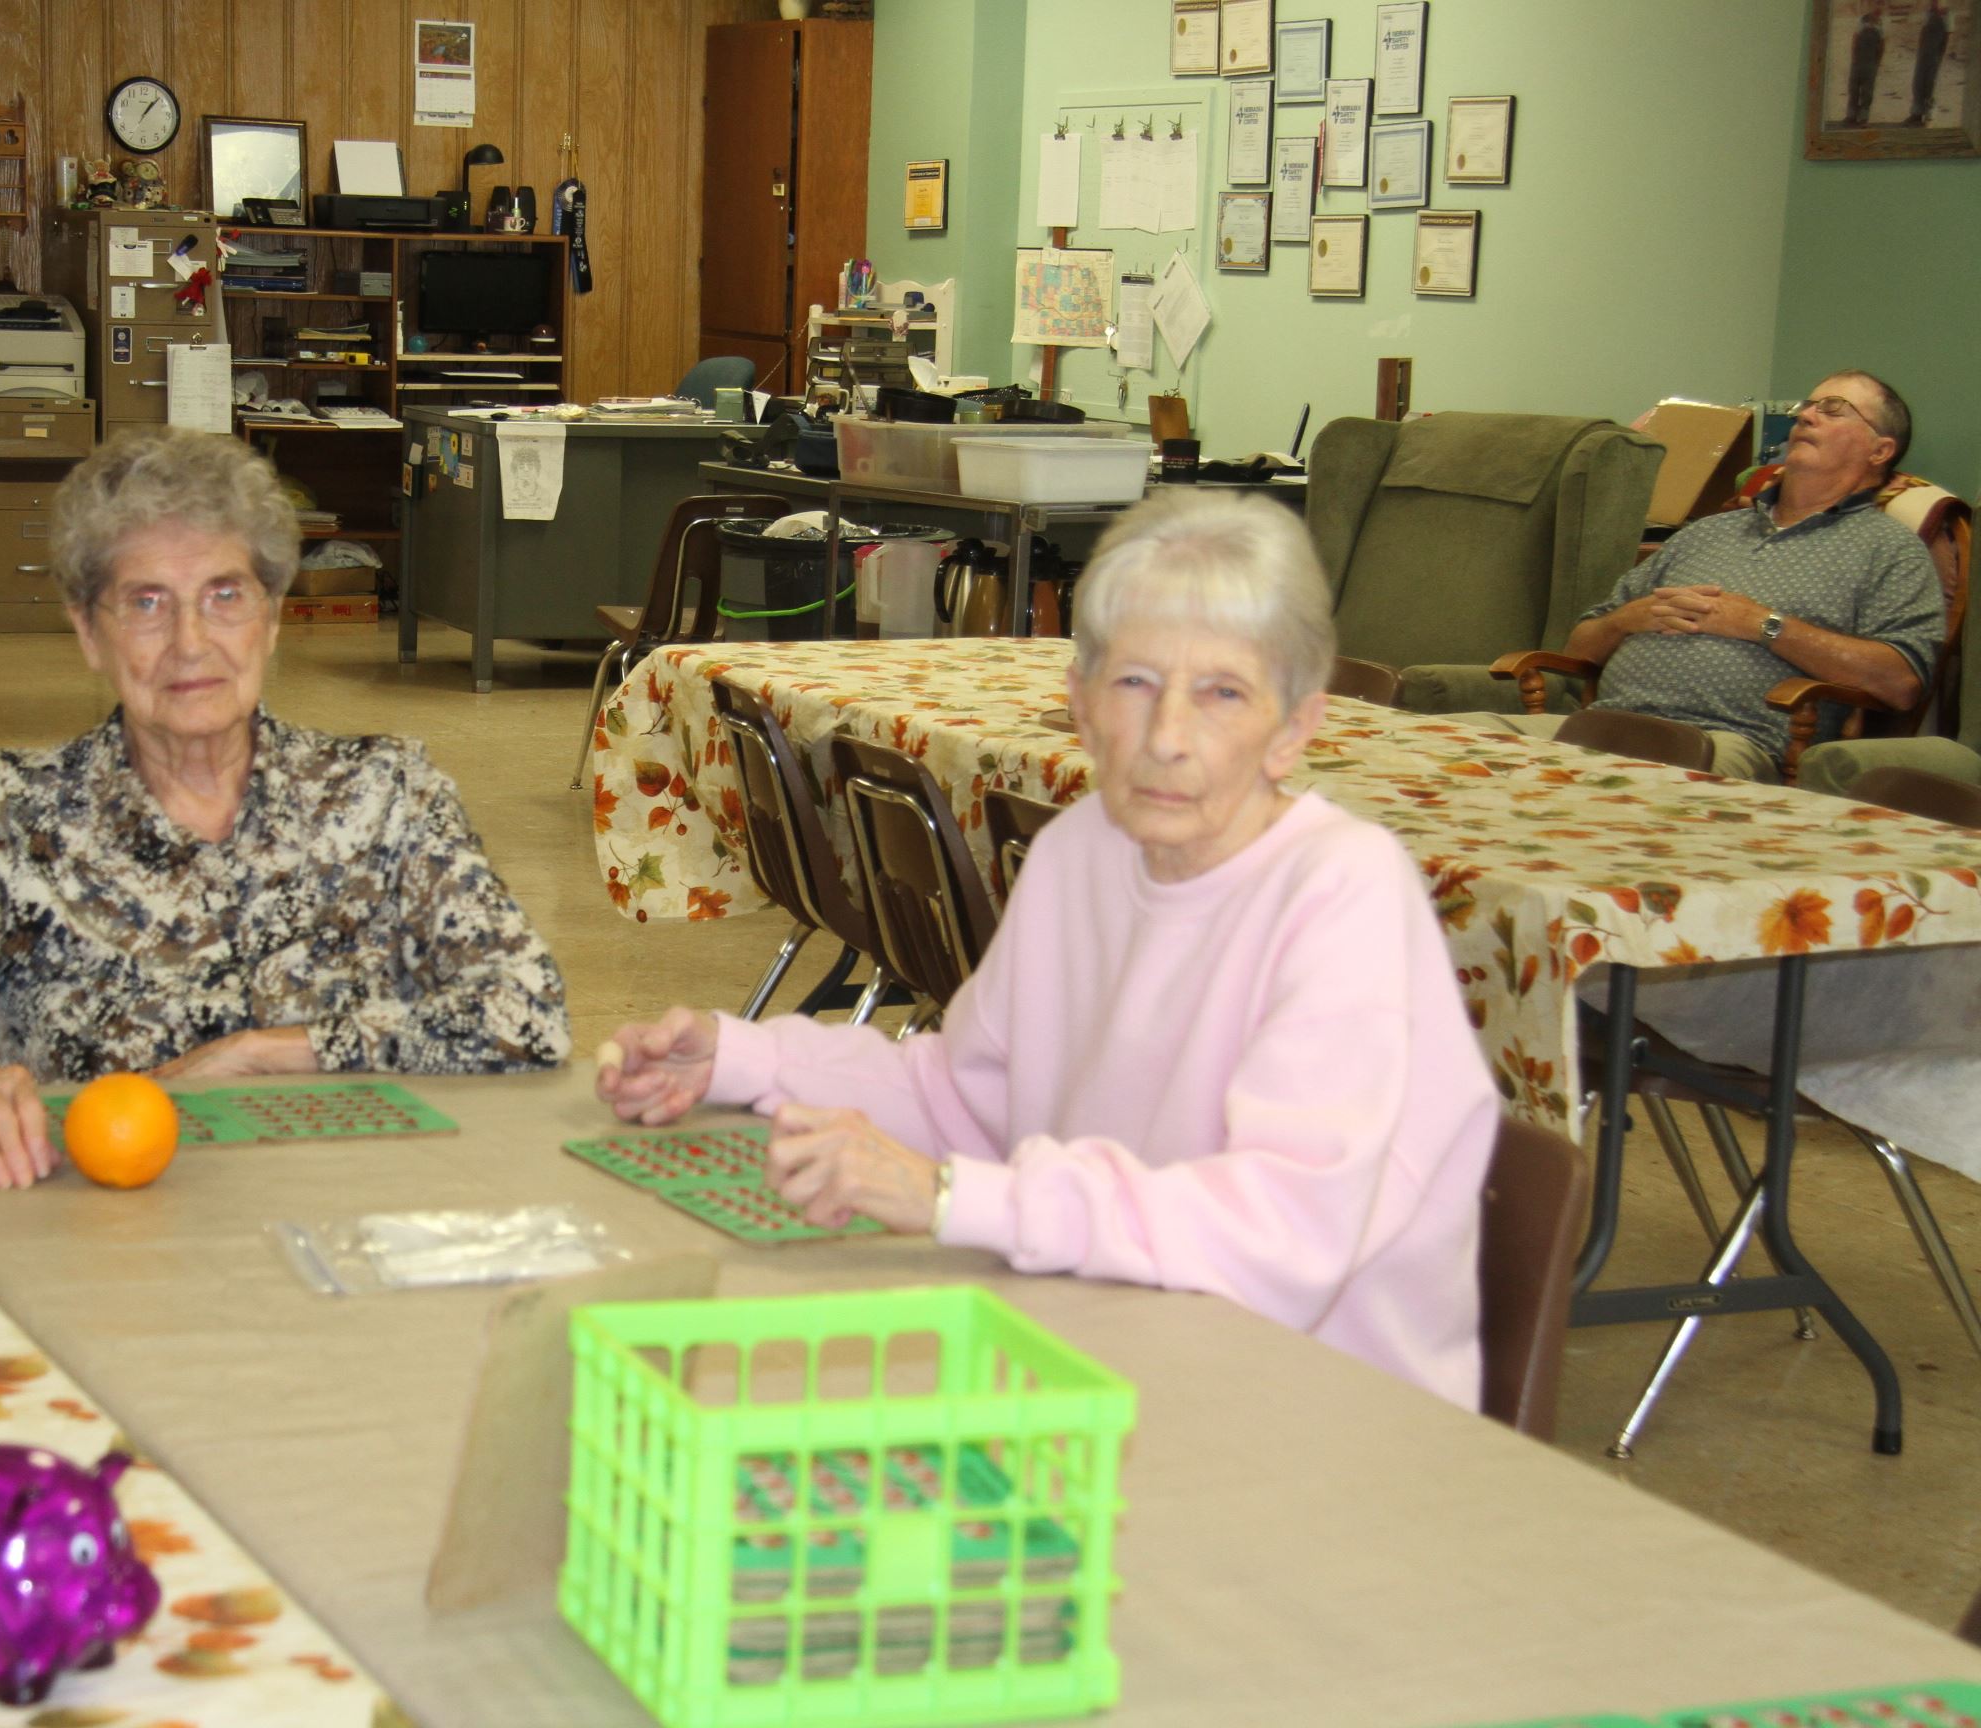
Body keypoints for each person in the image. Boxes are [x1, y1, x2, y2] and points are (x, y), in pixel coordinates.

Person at [595, 491, 1499, 1408]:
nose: (1169, 739)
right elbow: (969, 1096)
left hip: (1320, 1409)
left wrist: (957, 1198)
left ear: (1295, 727)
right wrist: (739, 1054)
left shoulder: (1344, 892)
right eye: (1135, 683)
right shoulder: (1083, 852)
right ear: (1079, 703)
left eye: (1224, 693)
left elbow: (1281, 1235)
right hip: (1113, 1351)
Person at [0, 427, 570, 1188]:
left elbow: (526, 1013)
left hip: (345, 1208)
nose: (189, 642)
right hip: (93, 1228)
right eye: (146, 602)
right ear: (89, 632)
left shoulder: (385, 795)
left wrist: (266, 1050)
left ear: (268, 619)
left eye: (224, 596)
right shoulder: (14, 812)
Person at [1482, 372, 1942, 791]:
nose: (1804, 415)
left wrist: (1765, 626)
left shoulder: (1888, 549)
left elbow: (1900, 681)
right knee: (1442, 748)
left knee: (1624, 790)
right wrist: (1629, 618)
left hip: (1717, 743)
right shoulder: (1706, 531)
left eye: (1833, 409)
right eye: (1808, 405)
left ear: (1880, 450)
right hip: (1600, 726)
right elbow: (1578, 648)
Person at [1910, 0, 1951, 125]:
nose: (1934, 3)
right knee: (1918, 82)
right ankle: (1916, 113)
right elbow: (1923, 32)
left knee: (1931, 84)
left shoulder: (1947, 15)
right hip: (1923, 53)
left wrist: (1941, 56)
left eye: (1937, 1)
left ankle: (1929, 116)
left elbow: (1948, 36)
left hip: (1935, 54)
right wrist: (1920, 51)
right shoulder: (1928, 13)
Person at [1845, 0, 1886, 126]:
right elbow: (1855, 39)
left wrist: (1877, 63)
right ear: (1871, 5)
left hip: (1871, 62)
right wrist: (1854, 59)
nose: (1878, 6)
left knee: (1867, 92)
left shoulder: (1882, 24)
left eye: (1881, 3)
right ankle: (1851, 116)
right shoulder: (1862, 20)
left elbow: (1882, 45)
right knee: (1853, 89)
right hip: (1858, 61)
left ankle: (1863, 118)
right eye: (1876, 3)